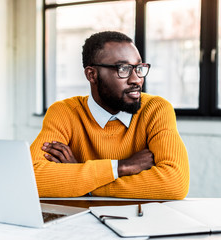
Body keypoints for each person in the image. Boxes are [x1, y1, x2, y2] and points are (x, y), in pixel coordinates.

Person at [30, 31, 189, 199]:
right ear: (92, 75)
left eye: (139, 68)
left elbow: (175, 183)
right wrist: (121, 167)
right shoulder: (64, 112)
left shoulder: (156, 109)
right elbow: (31, 177)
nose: (136, 80)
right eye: (124, 69)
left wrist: (85, 183)